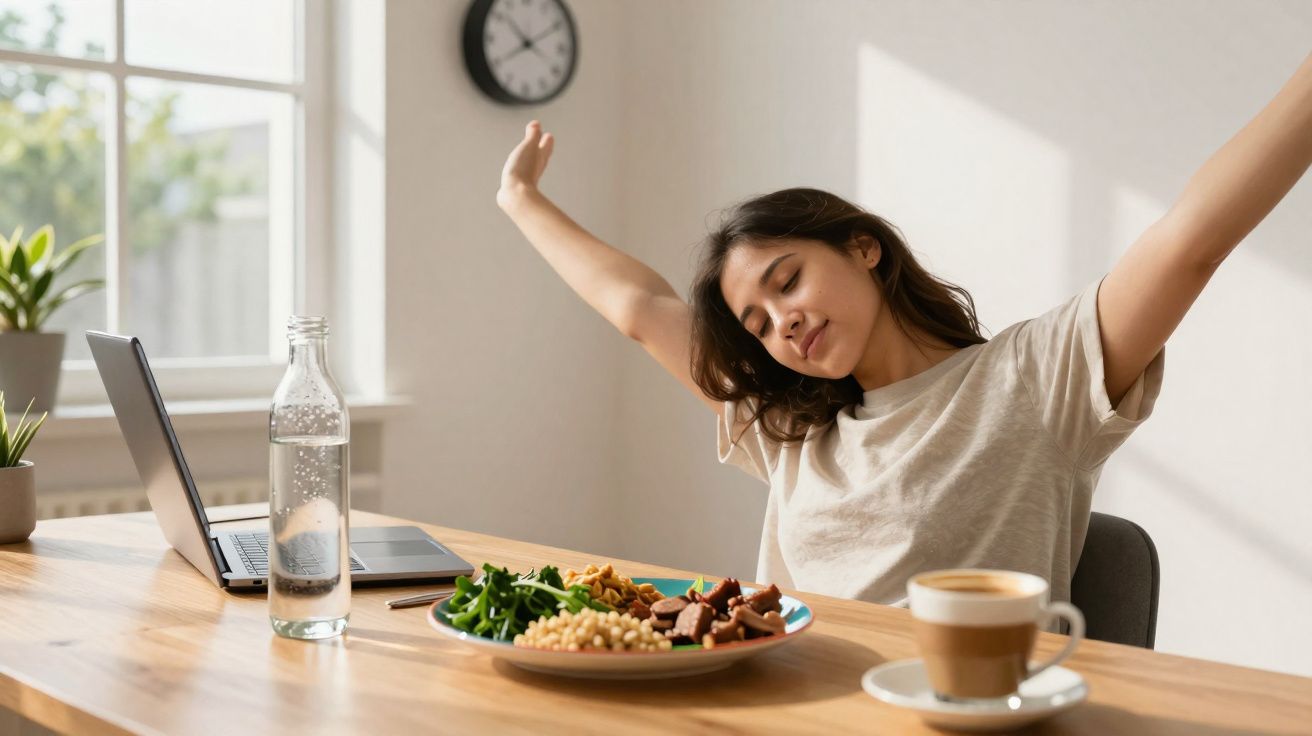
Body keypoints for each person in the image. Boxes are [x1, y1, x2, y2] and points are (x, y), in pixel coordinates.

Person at [494, 52, 1312, 612]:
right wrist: (520, 202)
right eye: (760, 323)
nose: (783, 322)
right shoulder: (789, 431)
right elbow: (642, 310)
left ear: (862, 247)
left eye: (788, 281)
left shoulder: (1034, 380)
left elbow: (1192, 241)